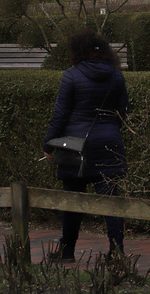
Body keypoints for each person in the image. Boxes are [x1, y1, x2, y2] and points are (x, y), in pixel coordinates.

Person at [43, 30, 129, 262]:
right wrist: (110, 131)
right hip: (109, 144)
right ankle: (117, 250)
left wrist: (48, 146)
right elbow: (123, 114)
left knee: (73, 202)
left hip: (75, 147)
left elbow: (60, 115)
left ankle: (67, 250)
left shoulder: (71, 76)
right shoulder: (116, 76)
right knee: (111, 202)